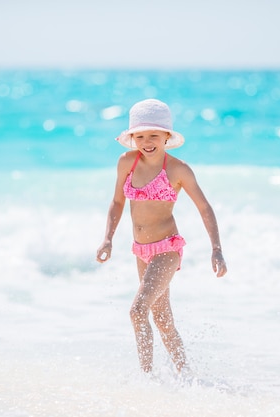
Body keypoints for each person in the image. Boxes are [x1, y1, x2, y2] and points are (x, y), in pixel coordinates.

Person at [96, 98, 227, 374]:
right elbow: (117, 202)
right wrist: (108, 238)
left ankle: (146, 378)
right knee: (163, 319)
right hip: (140, 250)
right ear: (132, 138)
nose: (147, 141)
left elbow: (205, 207)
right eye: (140, 136)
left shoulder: (178, 169)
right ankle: (186, 375)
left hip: (167, 249)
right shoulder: (126, 163)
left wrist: (216, 248)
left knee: (137, 310)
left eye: (153, 134)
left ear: (167, 136)